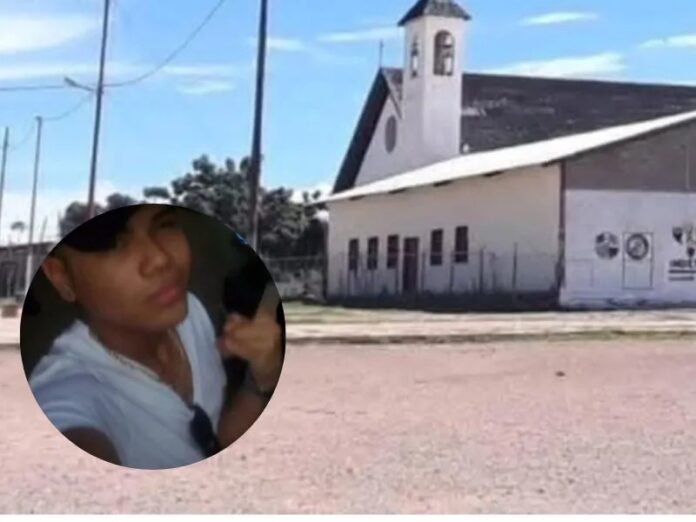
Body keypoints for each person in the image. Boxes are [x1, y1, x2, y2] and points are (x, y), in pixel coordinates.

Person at [28, 204, 283, 470]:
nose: (161, 259)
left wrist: (261, 378)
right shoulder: (66, 394)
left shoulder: (189, 311)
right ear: (62, 278)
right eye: (115, 244)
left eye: (164, 224)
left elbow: (218, 439)